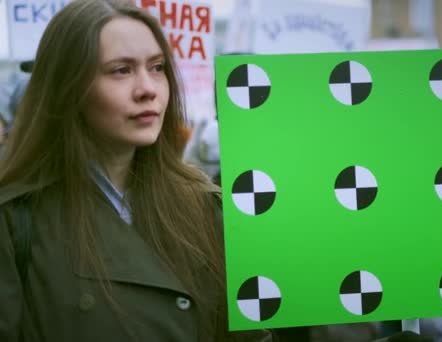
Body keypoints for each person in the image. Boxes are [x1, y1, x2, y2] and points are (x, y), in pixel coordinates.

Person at [0, 0, 272, 340]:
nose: (148, 89)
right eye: (121, 70)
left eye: (157, 67)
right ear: (68, 88)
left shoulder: (205, 207)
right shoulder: (15, 219)